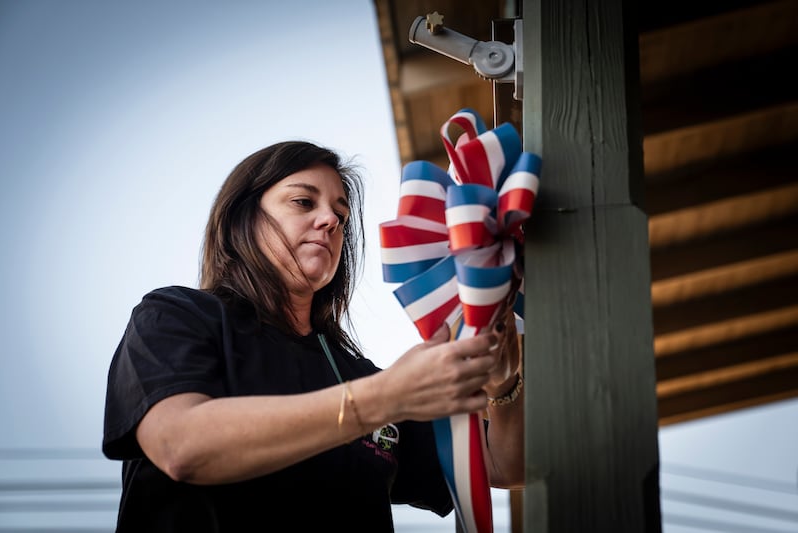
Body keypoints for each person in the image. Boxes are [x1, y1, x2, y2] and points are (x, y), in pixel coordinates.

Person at [102, 141, 524, 532]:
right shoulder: (177, 316)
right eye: (304, 202)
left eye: (340, 215)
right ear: (241, 217)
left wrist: (505, 387)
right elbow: (181, 446)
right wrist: (384, 396)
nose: (330, 221)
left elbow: (505, 464)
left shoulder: (355, 373)